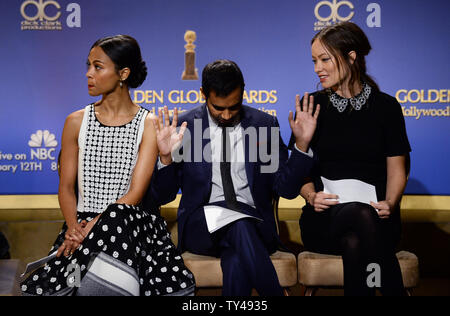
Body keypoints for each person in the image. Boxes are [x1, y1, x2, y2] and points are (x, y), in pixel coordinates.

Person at [20, 35, 195, 296]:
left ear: (123, 73)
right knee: (68, 283)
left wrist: (95, 227)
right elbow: (66, 188)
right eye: (88, 65)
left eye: (98, 67)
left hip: (132, 226)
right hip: (79, 227)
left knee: (118, 264)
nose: (89, 74)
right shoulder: (76, 122)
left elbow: (134, 195)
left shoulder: (147, 123)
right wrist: (73, 229)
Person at [145, 59, 319, 296]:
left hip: (254, 224)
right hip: (201, 227)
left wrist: (301, 146)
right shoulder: (187, 128)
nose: (226, 115)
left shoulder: (264, 126)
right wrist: (165, 159)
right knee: (238, 223)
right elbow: (163, 196)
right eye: (218, 108)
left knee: (237, 257)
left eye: (233, 107)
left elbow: (285, 190)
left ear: (243, 93)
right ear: (203, 94)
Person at [291, 22, 411, 296]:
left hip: (378, 216)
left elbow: (396, 170)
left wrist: (390, 203)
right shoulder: (312, 106)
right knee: (360, 218)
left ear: (351, 56)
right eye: (314, 61)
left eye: (324, 59)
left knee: (356, 239)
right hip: (324, 219)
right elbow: (299, 174)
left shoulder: (386, 107)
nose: (317, 68)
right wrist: (311, 196)